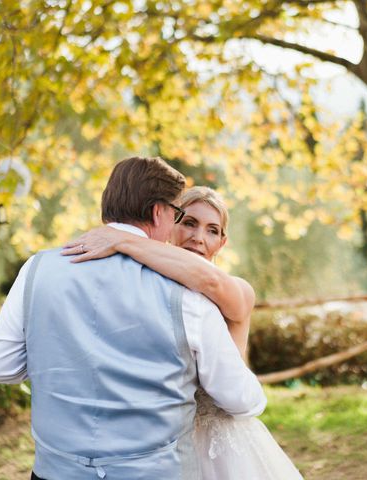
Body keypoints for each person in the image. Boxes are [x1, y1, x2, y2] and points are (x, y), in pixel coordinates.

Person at [0, 157, 266, 480]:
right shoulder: (187, 294)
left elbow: (0, 367)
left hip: (54, 472)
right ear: (160, 212)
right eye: (179, 216)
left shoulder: (37, 268)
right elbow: (240, 399)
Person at [62, 185, 304, 480]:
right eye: (189, 223)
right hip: (160, 442)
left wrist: (121, 239)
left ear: (222, 242)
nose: (198, 238)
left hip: (223, 444)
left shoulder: (236, 289)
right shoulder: (148, 288)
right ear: (167, 224)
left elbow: (209, 281)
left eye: (212, 230)